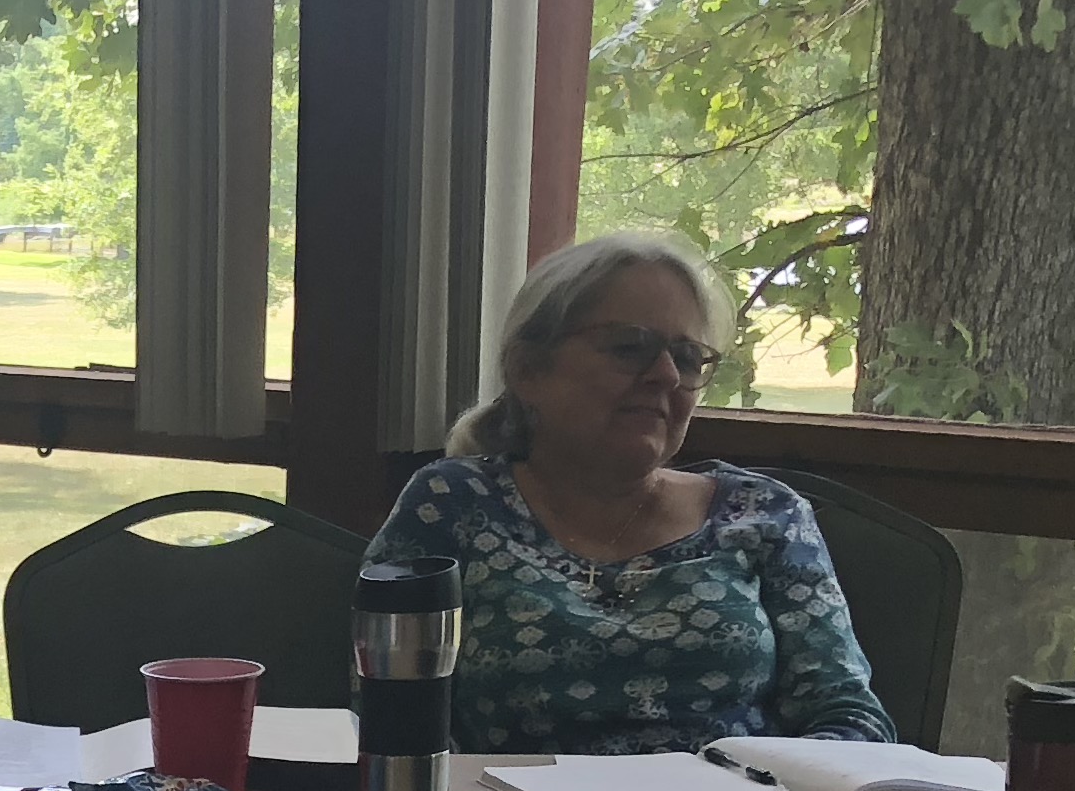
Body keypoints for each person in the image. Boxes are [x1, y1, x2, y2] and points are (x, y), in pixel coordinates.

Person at [366, 228, 895, 755]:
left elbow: (850, 715)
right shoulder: (454, 503)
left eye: (687, 358)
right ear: (528, 370)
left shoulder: (765, 515)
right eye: (629, 348)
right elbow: (390, 713)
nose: (666, 376)